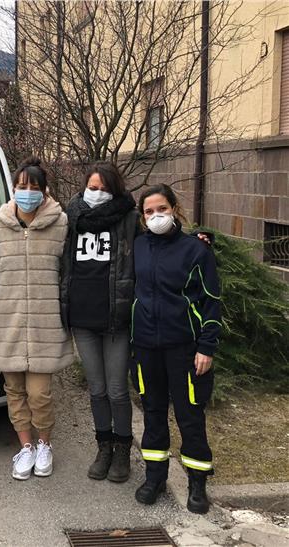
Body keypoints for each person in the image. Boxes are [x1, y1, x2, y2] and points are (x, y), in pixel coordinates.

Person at [0, 157, 73, 480]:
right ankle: (26, 447)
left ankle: (45, 443)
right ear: (13, 189)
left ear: (44, 191)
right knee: (14, 391)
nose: (27, 192)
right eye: (22, 187)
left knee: (40, 394)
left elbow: (72, 271)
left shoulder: (61, 225)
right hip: (6, 321)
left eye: (34, 187)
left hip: (46, 324)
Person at [132, 184, 221, 514]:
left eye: (161, 209)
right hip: (145, 346)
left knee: (190, 416)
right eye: (149, 212)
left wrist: (206, 347)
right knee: (152, 413)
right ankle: (154, 477)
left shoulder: (196, 250)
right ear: (142, 217)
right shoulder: (139, 246)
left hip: (184, 349)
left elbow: (211, 303)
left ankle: (198, 482)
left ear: (174, 209)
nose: (156, 216)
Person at [60, 162, 140, 483]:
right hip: (82, 317)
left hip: (115, 318)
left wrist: (197, 242)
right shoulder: (71, 219)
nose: (96, 194)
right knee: (97, 389)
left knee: (118, 391)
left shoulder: (129, 219)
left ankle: (122, 451)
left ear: (115, 190)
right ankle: (103, 446)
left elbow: (155, 248)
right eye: (92, 188)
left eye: (103, 188)